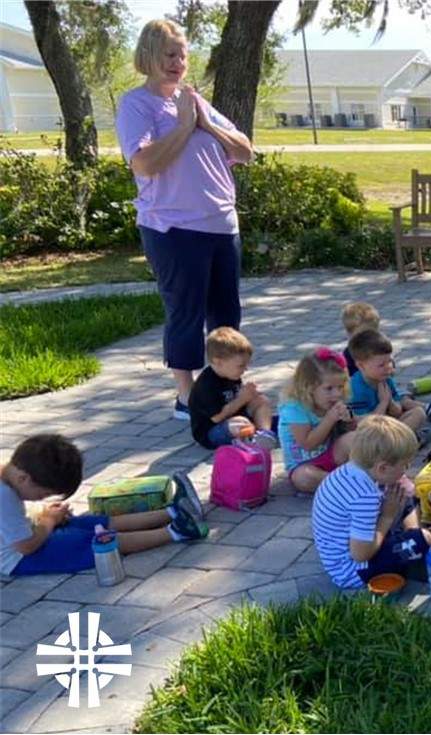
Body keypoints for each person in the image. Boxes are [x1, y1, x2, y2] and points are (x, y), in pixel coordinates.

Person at [115, 19, 253, 421]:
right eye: (169, 54)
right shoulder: (136, 105)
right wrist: (182, 126)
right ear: (149, 57)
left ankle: (224, 385)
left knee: (226, 314)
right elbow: (144, 163)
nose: (177, 63)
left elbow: (245, 151)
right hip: (173, 228)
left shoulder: (195, 100)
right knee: (186, 313)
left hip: (222, 224)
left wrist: (205, 122)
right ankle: (186, 395)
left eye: (182, 55)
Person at [1, 434, 206, 576]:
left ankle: (173, 511)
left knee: (91, 523)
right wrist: (48, 520)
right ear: (23, 478)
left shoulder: (9, 477)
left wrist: (45, 517)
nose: (40, 498)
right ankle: (177, 532)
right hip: (19, 559)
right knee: (100, 541)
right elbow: (26, 547)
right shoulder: (5, 497)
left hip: (25, 540)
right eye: (43, 494)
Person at [311, 415, 431, 590]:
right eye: (405, 465)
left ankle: (411, 541)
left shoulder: (351, 472)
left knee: (400, 492)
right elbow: (361, 554)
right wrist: (387, 517)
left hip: (358, 546)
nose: (406, 469)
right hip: (354, 571)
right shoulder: (365, 497)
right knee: (418, 539)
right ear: (382, 468)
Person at [278, 348, 358, 494]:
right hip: (304, 465)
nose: (337, 394)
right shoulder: (294, 409)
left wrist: (349, 420)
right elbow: (308, 444)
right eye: (329, 388)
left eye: (340, 387)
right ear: (308, 387)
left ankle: (360, 478)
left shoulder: (331, 402)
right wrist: (329, 419)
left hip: (331, 454)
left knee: (355, 438)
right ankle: (345, 486)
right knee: (304, 478)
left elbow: (350, 431)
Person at [187, 327, 275, 450]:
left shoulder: (231, 374)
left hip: (237, 418)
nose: (245, 369)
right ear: (218, 362)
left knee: (261, 400)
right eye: (240, 366)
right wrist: (242, 398)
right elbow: (217, 417)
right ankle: (249, 440)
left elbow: (239, 401)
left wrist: (251, 397)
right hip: (212, 432)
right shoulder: (206, 385)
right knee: (238, 423)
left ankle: (265, 435)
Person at [346, 330, 426, 433]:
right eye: (381, 365)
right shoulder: (355, 389)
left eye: (389, 362)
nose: (388, 367)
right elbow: (365, 425)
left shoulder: (385, 379)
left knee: (418, 412)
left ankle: (398, 440)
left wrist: (390, 402)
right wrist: (383, 403)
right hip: (368, 433)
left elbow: (397, 412)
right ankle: (399, 441)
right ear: (361, 365)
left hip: (387, 425)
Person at [340, 301, 380, 377]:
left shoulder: (379, 349)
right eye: (361, 336)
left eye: (371, 334)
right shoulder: (348, 356)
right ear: (350, 334)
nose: (366, 340)